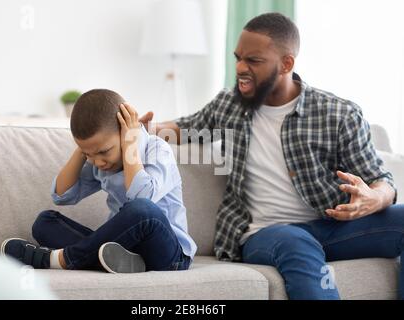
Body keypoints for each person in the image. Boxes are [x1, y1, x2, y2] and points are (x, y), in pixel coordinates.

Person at [139, 13, 404, 299]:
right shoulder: (228, 105)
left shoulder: (338, 114)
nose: (240, 67)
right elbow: (184, 129)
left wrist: (374, 198)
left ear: (286, 63)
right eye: (238, 57)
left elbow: (381, 180)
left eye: (253, 61)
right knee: (295, 241)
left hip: (332, 228)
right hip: (264, 233)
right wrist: (144, 129)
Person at [1, 89, 197, 273]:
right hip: (123, 248)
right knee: (45, 222)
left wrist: (130, 143)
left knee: (142, 209)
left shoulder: (157, 150)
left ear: (124, 131)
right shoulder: (98, 161)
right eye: (90, 155)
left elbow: (142, 195)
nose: (98, 162)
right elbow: (61, 196)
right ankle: (113, 261)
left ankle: (60, 259)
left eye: (104, 151)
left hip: (169, 254)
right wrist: (83, 150)